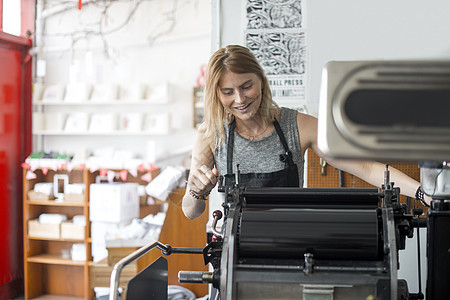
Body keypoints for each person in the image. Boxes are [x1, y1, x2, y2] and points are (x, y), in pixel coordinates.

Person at [182, 45, 430, 220]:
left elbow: (366, 167)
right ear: (216, 94)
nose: (240, 99)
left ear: (261, 81)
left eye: (247, 86)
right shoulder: (211, 135)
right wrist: (197, 192)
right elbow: (191, 211)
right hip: (233, 257)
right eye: (228, 92)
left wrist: (423, 192)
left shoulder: (297, 125)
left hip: (293, 244)